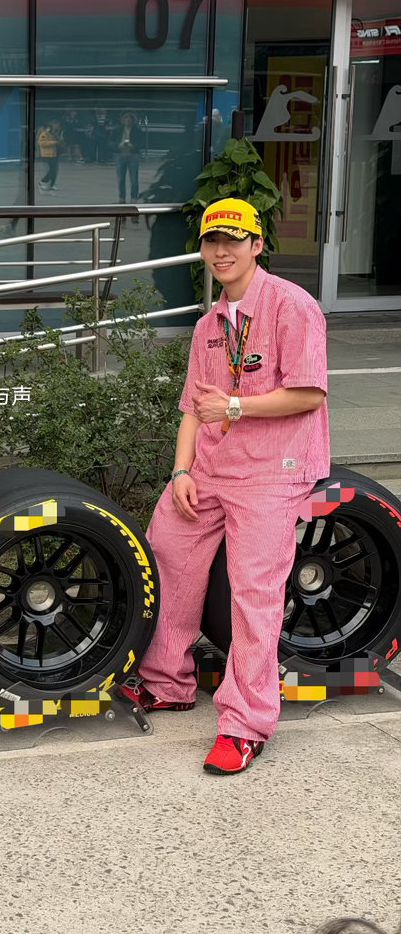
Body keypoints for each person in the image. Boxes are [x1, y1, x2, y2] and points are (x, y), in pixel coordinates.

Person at [123, 198, 330, 775]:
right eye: (212, 241)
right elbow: (194, 407)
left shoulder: (292, 305)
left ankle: (246, 723)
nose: (221, 251)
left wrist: (237, 405)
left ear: (256, 245)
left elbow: (309, 393)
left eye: (234, 241)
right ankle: (168, 681)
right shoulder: (207, 325)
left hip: (273, 470)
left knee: (253, 593)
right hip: (211, 468)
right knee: (167, 554)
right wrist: (181, 472)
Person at [115, 110, 143, 206]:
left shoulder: (137, 130)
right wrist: (118, 145)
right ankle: (122, 198)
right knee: (121, 179)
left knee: (134, 179)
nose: (128, 120)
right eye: (126, 118)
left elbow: (141, 143)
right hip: (120, 156)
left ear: (133, 120)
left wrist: (133, 146)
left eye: (130, 118)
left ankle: (134, 198)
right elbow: (110, 142)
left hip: (133, 156)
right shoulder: (117, 130)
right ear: (123, 120)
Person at [36, 118, 62, 193]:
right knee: (52, 171)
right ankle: (42, 181)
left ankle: (52, 185)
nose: (57, 126)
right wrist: (53, 142)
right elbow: (41, 143)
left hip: (55, 153)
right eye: (56, 125)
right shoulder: (44, 134)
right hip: (47, 154)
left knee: (55, 171)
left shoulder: (55, 133)